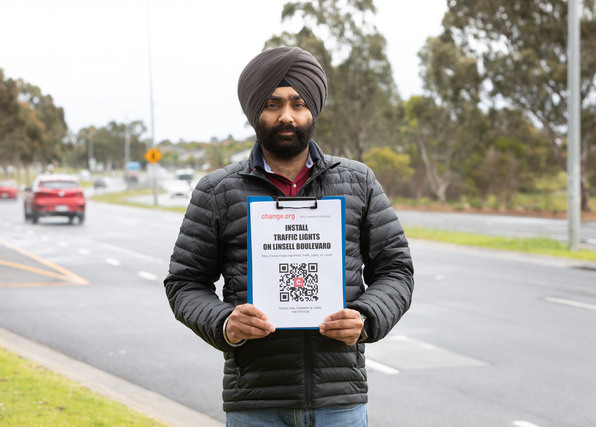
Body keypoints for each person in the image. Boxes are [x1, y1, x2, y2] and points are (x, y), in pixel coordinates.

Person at [164, 46, 414, 427]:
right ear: (255, 112)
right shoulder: (218, 191)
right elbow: (184, 283)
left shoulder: (359, 182)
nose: (286, 115)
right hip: (256, 405)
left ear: (312, 110)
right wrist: (226, 324)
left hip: (339, 402)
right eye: (273, 104)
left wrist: (366, 317)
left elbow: (396, 270)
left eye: (298, 104)